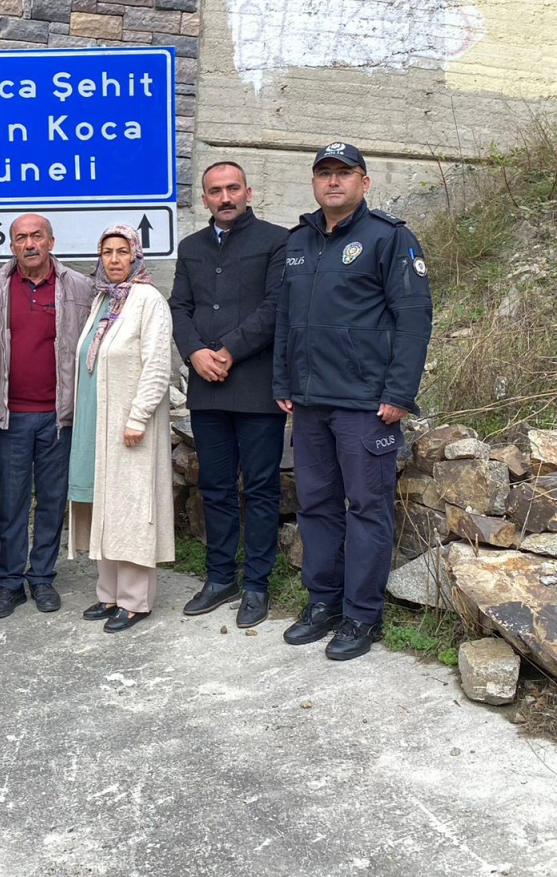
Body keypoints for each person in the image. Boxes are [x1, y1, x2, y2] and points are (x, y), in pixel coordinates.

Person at [274, 142, 433, 661]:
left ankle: (361, 615)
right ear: (314, 183)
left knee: (367, 508)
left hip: (365, 405)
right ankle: (324, 602)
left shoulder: (389, 238)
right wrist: (283, 383)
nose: (333, 182)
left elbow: (413, 319)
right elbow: (286, 320)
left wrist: (398, 394)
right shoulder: (299, 241)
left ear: (364, 182)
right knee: (317, 505)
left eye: (345, 173)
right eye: (324, 173)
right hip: (310, 402)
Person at [169, 162, 290, 629]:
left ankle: (256, 584)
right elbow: (179, 306)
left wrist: (228, 350)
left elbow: (275, 306)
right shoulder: (191, 247)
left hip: (256, 386)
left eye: (232, 188)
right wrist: (196, 352)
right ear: (205, 199)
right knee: (215, 487)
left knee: (260, 489)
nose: (225, 197)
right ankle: (221, 578)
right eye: (215, 191)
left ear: (248, 191)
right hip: (207, 388)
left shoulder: (276, 240)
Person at [0, 214, 95, 619]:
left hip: (58, 417)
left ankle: (42, 577)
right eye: (21, 238)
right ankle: (9, 582)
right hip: (10, 416)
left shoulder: (78, 286)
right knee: (10, 504)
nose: (30, 244)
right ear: (12, 246)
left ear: (51, 241)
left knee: (51, 501)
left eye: (37, 236)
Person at [69, 226, 174, 633]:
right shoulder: (103, 300)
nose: (114, 259)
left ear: (136, 256)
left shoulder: (148, 300)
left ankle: (135, 601)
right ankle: (108, 593)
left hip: (130, 424)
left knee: (130, 509)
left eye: (122, 252)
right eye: (107, 252)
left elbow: (157, 365)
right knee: (103, 505)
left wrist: (138, 416)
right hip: (97, 420)